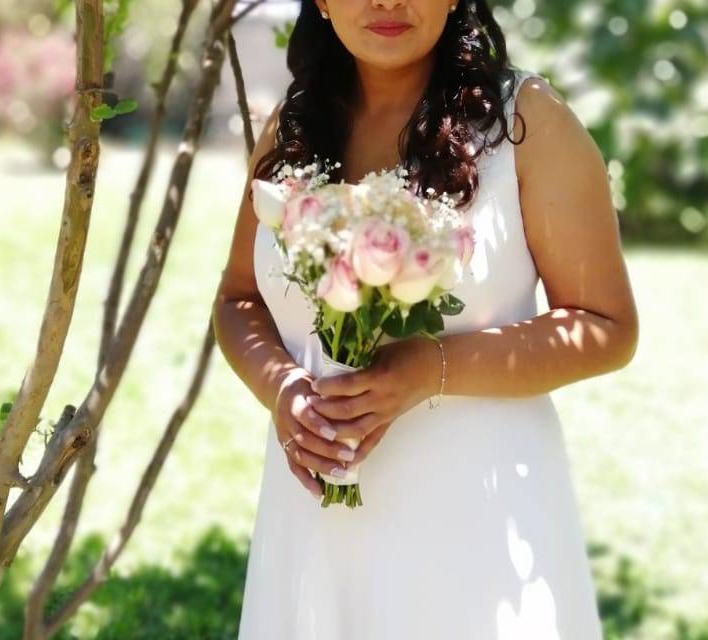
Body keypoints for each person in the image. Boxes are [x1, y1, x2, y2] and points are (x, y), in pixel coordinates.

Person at [212, 0, 638, 635]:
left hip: (476, 520)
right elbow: (237, 300)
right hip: (315, 521)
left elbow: (605, 325)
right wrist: (283, 388)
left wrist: (429, 368)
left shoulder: (527, 122)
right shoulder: (294, 128)